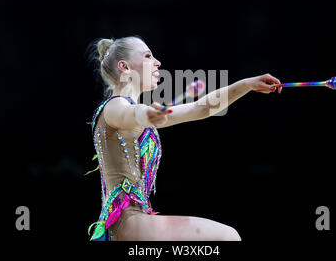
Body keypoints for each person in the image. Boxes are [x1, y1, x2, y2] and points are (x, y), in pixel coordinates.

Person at [85, 35, 281, 241]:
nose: (157, 62)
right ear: (124, 66)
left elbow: (202, 108)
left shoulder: (132, 110)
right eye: (147, 56)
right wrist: (145, 115)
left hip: (135, 223)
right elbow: (131, 114)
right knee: (228, 236)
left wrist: (247, 85)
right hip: (129, 222)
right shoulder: (114, 106)